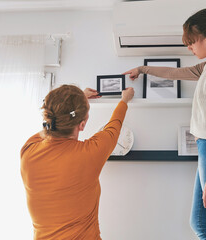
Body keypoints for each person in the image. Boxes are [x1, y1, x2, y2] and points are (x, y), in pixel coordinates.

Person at [124, 8, 206, 240]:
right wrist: (142, 69)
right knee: (199, 222)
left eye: (191, 42)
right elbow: (174, 72)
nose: (189, 48)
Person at [20, 85, 134, 239]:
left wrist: (78, 104)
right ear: (82, 125)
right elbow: (114, 126)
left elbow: (50, 126)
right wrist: (125, 100)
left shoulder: (28, 151)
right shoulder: (90, 153)